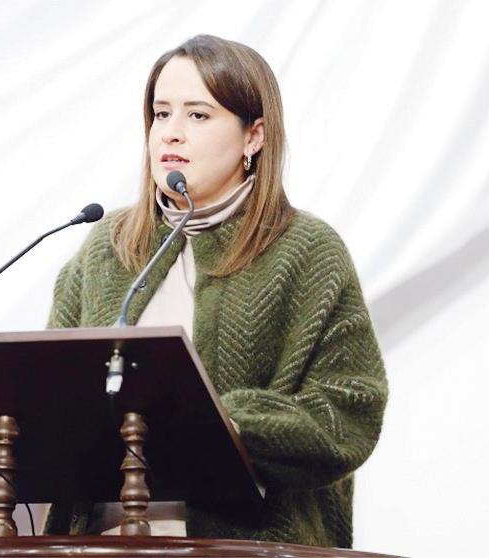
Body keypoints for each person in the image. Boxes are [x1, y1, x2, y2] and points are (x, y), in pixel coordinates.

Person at [44, 34, 387, 549]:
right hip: (101, 543)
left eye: (198, 115)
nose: (171, 133)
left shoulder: (306, 250)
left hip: (242, 544)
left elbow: (349, 409)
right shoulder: (107, 245)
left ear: (254, 136)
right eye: (161, 114)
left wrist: (225, 422)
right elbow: (53, 390)